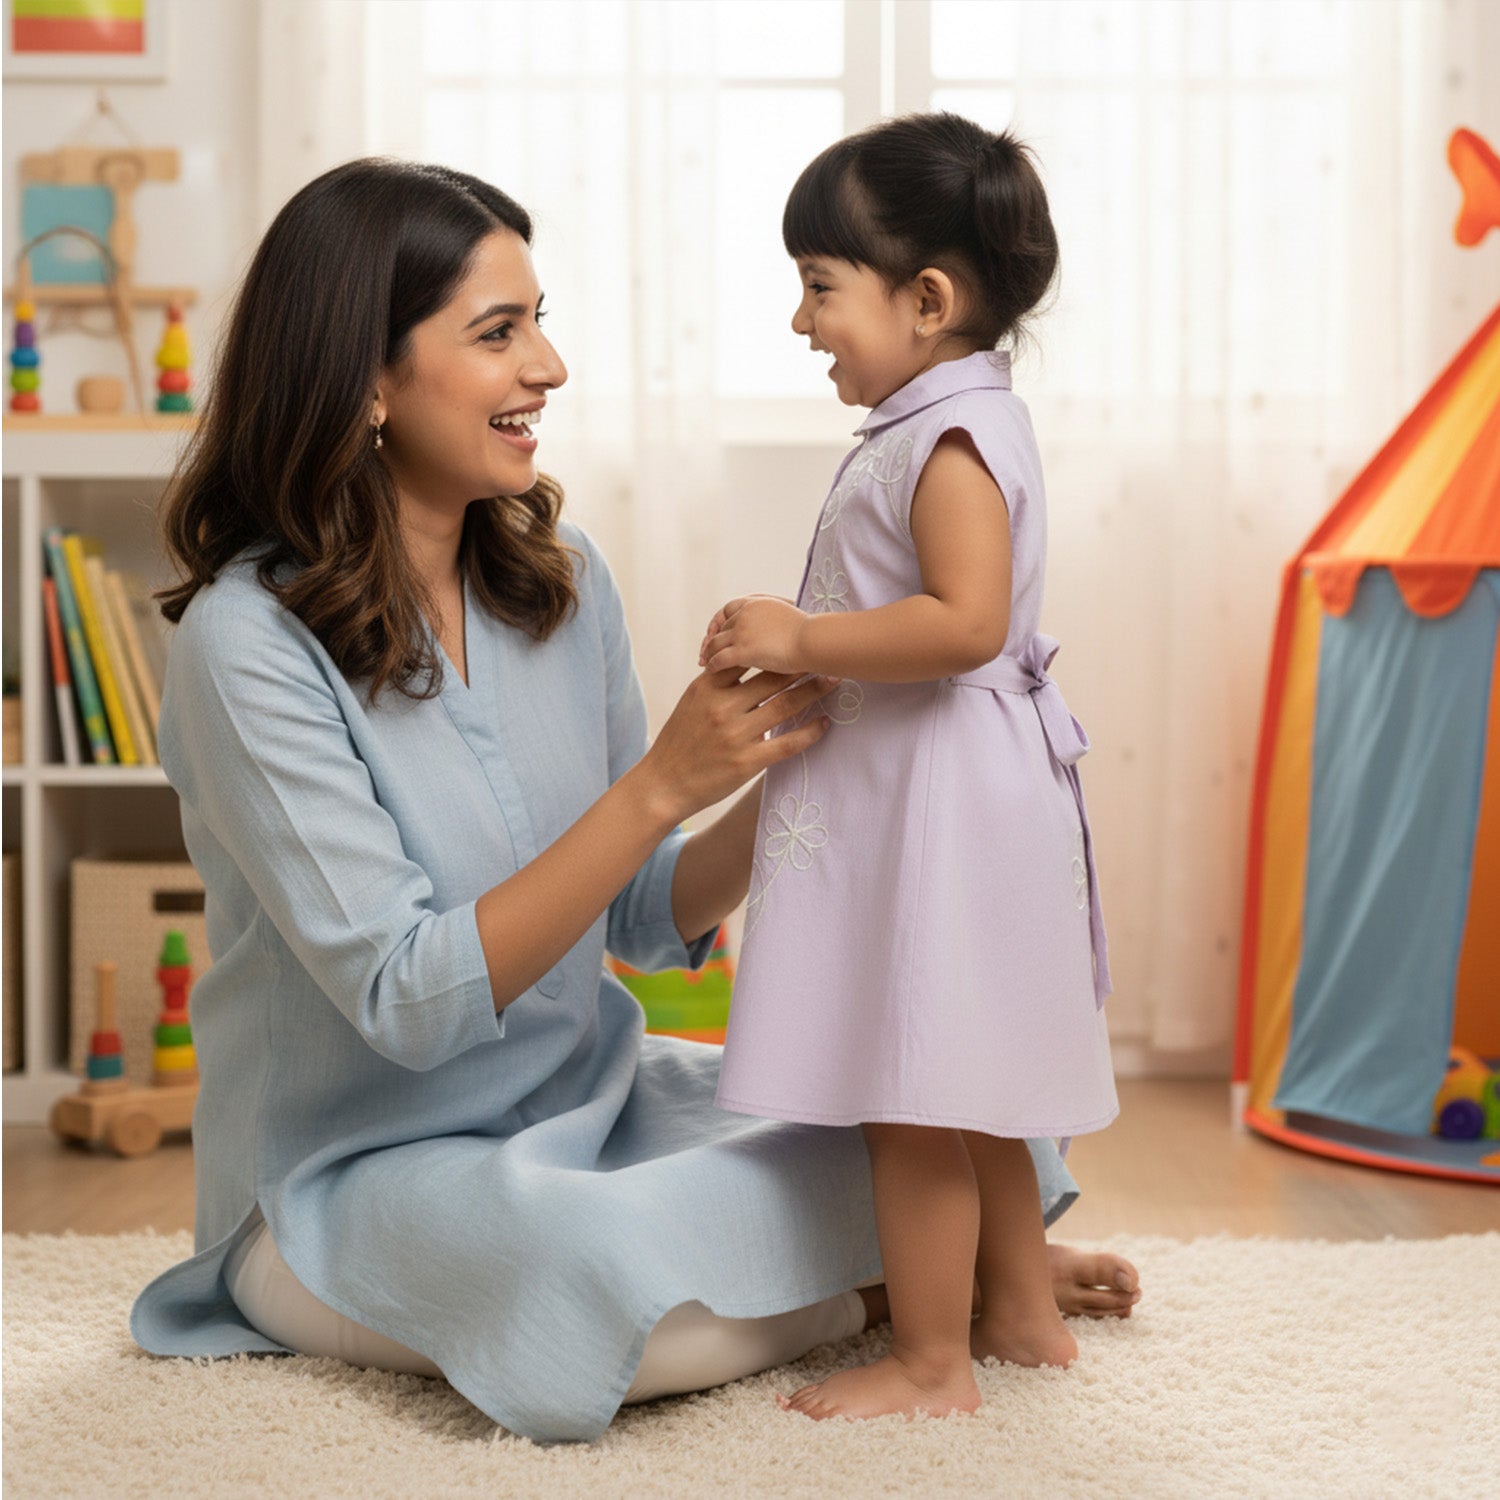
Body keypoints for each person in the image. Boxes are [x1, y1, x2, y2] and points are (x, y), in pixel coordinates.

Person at [129, 157, 1139, 1446]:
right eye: (501, 333)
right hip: (355, 1172)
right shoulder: (246, 644)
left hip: (593, 1102)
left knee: (926, 1104)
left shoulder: (557, 577)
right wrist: (665, 780)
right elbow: (407, 1001)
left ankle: (933, 1274)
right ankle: (887, 1281)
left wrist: (813, 789)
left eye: (539, 321)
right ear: (366, 380)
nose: (548, 366)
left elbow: (649, 918)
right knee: (589, 1273)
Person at [701, 113, 1119, 1422]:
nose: (802, 321)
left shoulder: (942, 444)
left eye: (820, 288)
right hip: (951, 795)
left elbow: (966, 620)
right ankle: (1020, 1314)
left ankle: (936, 1363)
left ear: (926, 300)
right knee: (974, 1081)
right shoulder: (953, 422)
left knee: (912, 1093)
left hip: (940, 805)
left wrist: (803, 634)